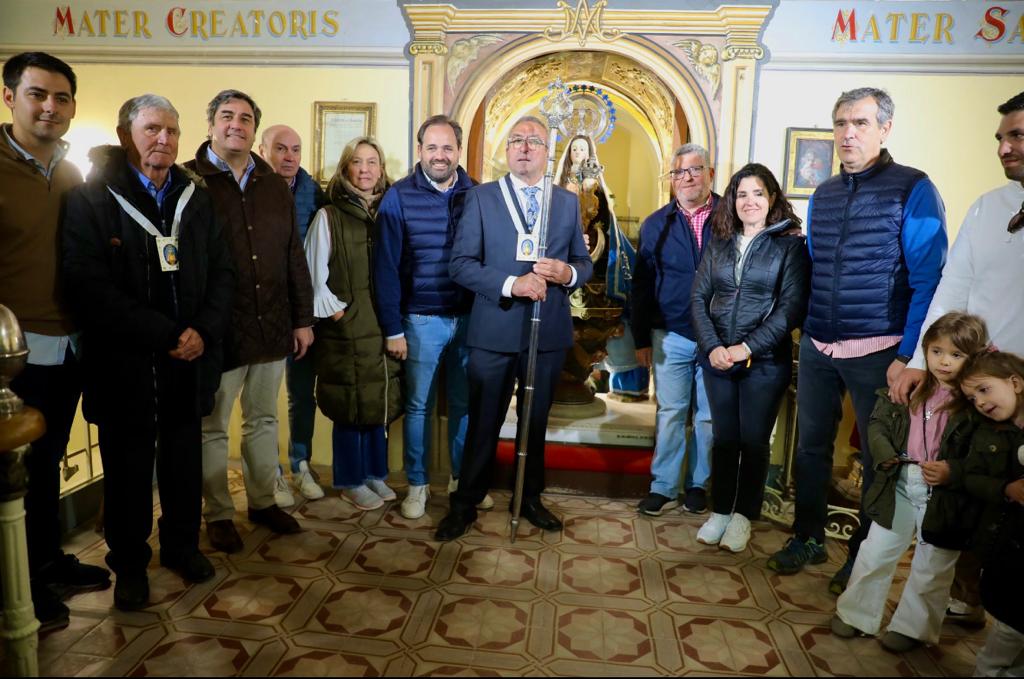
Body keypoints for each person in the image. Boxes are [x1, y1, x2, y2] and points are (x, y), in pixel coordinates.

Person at [766, 88, 948, 592]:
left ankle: (860, 556)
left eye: (861, 123)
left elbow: (929, 277)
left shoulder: (913, 188)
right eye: (841, 122)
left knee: (876, 459)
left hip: (881, 349)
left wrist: (910, 354)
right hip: (820, 343)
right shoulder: (822, 194)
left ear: (885, 128)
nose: (848, 133)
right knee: (809, 449)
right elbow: (817, 268)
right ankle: (807, 537)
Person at [61, 95, 235, 610]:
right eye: (152, 129)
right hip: (126, 363)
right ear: (125, 134)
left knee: (184, 460)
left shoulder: (196, 197)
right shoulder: (91, 198)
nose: (164, 140)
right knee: (129, 469)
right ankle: (131, 563)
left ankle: (182, 546)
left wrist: (202, 329)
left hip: (189, 361)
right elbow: (87, 284)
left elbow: (223, 272)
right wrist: (164, 333)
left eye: (172, 131)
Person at [892, 90, 1024, 625]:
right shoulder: (990, 206)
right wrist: (925, 358)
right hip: (979, 382)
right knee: (956, 497)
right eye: (1000, 137)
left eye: (1016, 135)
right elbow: (954, 286)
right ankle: (949, 605)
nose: (1003, 147)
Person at [434, 116, 592, 541]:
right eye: (517, 140)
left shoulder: (566, 202)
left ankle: (530, 498)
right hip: (494, 330)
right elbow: (461, 264)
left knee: (534, 422)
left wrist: (565, 273)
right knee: (483, 419)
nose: (525, 148)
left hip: (547, 334)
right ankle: (465, 503)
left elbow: (585, 264)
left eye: (534, 141)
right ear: (507, 150)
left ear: (546, 151)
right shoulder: (482, 198)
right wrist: (511, 283)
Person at [0, 51, 110, 631]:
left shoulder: (70, 173)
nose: (50, 106)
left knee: (46, 464)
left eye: (61, 97)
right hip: (10, 358)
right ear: (10, 97)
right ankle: (18, 585)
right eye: (37, 94)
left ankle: (44, 560)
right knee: (13, 473)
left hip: (66, 344)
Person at [186, 90, 314, 553]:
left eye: (244, 118)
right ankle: (218, 513)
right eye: (226, 116)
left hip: (272, 324)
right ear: (211, 124)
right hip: (219, 329)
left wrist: (302, 319)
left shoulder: (273, 184)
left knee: (263, 419)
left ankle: (262, 501)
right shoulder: (189, 181)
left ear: (254, 129)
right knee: (214, 426)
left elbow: (292, 256)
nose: (236, 124)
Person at [830, 313, 990, 652]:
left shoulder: (976, 405)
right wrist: (885, 452)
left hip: (945, 494)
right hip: (901, 482)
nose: (944, 362)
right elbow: (878, 422)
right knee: (877, 549)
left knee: (933, 564)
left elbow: (984, 456)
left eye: (956, 355)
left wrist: (953, 471)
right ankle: (857, 613)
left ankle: (912, 628)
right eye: (936, 351)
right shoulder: (911, 387)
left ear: (973, 357)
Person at [373, 114, 489, 520]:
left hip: (470, 317)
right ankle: (418, 485)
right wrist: (392, 327)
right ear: (419, 150)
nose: (440, 156)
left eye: (448, 148)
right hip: (420, 320)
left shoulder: (479, 194)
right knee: (418, 407)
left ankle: (461, 481)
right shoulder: (398, 197)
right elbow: (384, 268)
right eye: (432, 148)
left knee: (463, 405)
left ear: (458, 151)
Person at [690, 163, 810, 553]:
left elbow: (790, 308)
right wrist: (713, 347)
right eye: (741, 194)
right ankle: (721, 510)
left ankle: (744, 516)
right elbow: (698, 297)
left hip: (764, 361)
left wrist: (746, 348)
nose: (749, 201)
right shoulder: (720, 241)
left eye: (758, 193)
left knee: (754, 441)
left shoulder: (790, 245)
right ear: (732, 201)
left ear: (772, 198)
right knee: (724, 439)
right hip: (718, 357)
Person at [306, 136, 402, 510]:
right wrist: (338, 314)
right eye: (357, 162)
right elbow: (314, 276)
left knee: (376, 403)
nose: (365, 169)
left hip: (383, 326)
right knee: (349, 404)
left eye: (372, 162)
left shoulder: (388, 214)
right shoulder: (328, 216)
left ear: (381, 170)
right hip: (346, 329)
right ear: (346, 168)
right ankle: (349, 479)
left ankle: (375, 473)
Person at [631, 143, 717, 516]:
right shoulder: (655, 224)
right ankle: (663, 486)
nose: (686, 179)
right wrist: (640, 337)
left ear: (710, 174)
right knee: (670, 411)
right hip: (671, 333)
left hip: (719, 337)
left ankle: (698, 484)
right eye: (678, 173)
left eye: (695, 170)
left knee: (708, 415)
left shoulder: (732, 216)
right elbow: (641, 284)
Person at [258, 123, 328, 507]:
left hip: (303, 312)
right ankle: (273, 474)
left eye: (296, 149)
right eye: (281, 148)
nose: (289, 157)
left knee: (302, 395)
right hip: (263, 313)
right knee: (263, 402)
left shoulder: (313, 190)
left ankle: (301, 463)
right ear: (263, 149)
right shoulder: (250, 188)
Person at [555, 134, 648, 402]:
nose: (579, 153)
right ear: (569, 153)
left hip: (592, 259)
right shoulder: (560, 184)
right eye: (575, 149)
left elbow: (605, 217)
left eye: (583, 148)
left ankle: (605, 378)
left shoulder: (595, 182)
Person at [958, 351, 1024, 675]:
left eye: (984, 390)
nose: (980, 402)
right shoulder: (990, 432)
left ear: (1015, 382)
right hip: (1009, 544)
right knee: (1008, 630)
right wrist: (1006, 490)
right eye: (972, 398)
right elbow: (973, 477)